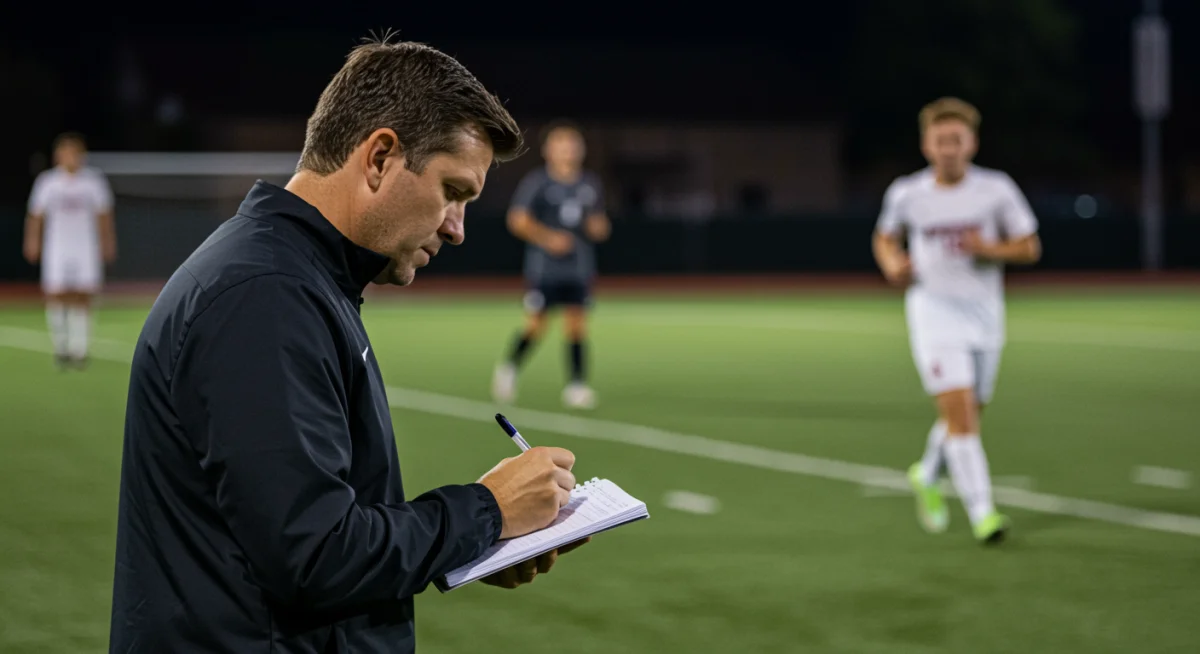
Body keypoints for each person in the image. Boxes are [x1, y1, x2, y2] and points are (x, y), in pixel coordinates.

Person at [110, 36, 588, 654]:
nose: (457, 228)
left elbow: (307, 542)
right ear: (381, 157)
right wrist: (486, 511)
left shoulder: (294, 275)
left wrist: (477, 543)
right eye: (453, 192)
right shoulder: (266, 294)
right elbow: (314, 555)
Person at [871, 97, 1041, 545]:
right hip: (933, 314)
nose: (948, 148)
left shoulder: (996, 189)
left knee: (970, 410)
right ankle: (984, 514)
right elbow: (885, 237)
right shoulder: (907, 193)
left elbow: (1029, 246)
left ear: (972, 143)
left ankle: (926, 472)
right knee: (962, 418)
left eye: (956, 139)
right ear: (926, 145)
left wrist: (989, 249)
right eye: (940, 140)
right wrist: (892, 264)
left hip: (985, 316)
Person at [492, 120, 611, 409]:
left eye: (572, 145)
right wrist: (548, 238)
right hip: (545, 268)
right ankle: (508, 369)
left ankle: (577, 386)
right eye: (561, 145)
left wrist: (598, 228)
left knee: (577, 326)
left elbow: (600, 225)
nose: (568, 151)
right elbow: (517, 219)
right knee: (536, 326)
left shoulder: (589, 184)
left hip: (579, 267)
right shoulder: (538, 183)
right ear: (548, 150)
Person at [22, 132, 117, 369]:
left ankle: (80, 348)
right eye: (65, 152)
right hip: (58, 247)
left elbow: (104, 215)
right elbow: (35, 215)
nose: (70, 157)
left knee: (84, 295)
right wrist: (32, 241)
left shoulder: (93, 181)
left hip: (85, 246)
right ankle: (61, 346)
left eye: (74, 152)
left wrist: (108, 242)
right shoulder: (48, 182)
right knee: (56, 293)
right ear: (57, 156)